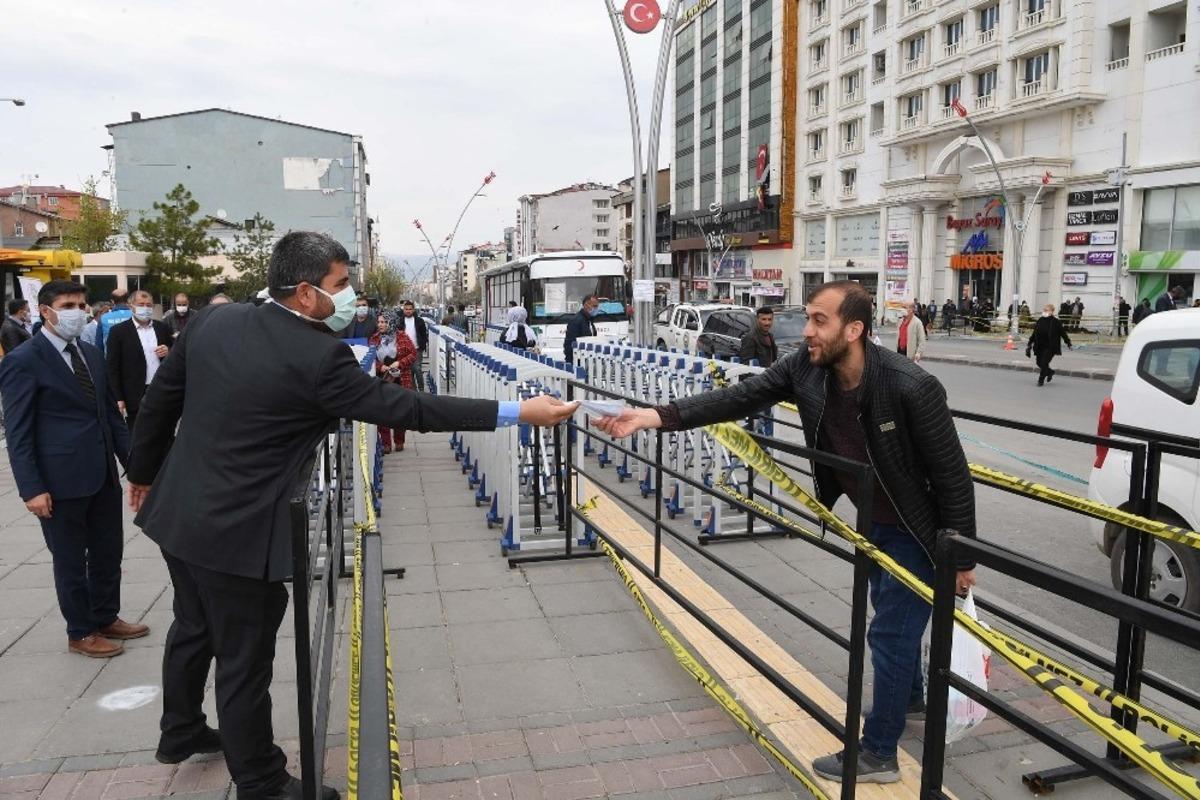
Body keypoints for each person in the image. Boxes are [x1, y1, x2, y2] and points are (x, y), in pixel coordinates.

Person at [125, 231, 576, 800]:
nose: (350, 295)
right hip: (237, 533)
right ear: (305, 292)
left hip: (177, 511)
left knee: (193, 625)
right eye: (340, 284)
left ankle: (181, 727)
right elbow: (410, 408)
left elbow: (161, 399)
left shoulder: (216, 320)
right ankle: (260, 781)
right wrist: (516, 411)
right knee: (243, 658)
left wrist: (142, 474)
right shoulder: (319, 358)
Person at [593, 280, 976, 784]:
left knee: (889, 632)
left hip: (917, 530)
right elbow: (739, 397)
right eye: (808, 318)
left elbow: (952, 476)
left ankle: (879, 752)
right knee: (891, 617)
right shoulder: (806, 369)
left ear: (854, 330)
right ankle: (909, 700)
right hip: (871, 522)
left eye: (819, 321)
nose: (807, 332)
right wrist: (654, 416)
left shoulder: (910, 386)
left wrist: (961, 559)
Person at [0, 280, 145, 658]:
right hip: (59, 481)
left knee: (108, 552)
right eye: (68, 306)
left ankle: (105, 615)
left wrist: (136, 467)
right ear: (46, 311)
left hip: (102, 475)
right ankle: (80, 631)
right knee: (70, 561)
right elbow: (18, 432)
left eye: (81, 305)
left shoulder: (91, 353)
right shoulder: (23, 360)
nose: (77, 313)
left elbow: (110, 417)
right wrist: (31, 488)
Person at [105, 290, 173, 432]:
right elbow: (113, 367)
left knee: (164, 431)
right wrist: (118, 397)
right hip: (134, 394)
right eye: (141, 304)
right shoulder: (119, 331)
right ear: (131, 306)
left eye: (149, 305)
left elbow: (176, 353)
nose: (145, 308)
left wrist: (169, 351)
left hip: (160, 389)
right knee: (138, 432)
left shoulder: (162, 328)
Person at [369, 316, 418, 453]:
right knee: (382, 411)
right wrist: (380, 367)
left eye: (384, 322)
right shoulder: (374, 339)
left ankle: (399, 440)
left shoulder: (402, 336)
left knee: (400, 410)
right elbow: (370, 358)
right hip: (382, 379)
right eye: (379, 322)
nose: (380, 324)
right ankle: (386, 443)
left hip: (400, 379)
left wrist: (399, 363)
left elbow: (413, 354)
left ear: (391, 323)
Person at [1026, 304, 1072, 386]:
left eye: (1046, 310)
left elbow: (1063, 333)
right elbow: (1034, 333)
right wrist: (1030, 343)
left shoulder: (1056, 322)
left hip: (1050, 347)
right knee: (1039, 363)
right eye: (1044, 310)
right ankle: (1050, 372)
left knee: (1044, 363)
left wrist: (1068, 343)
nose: (1044, 311)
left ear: (1051, 312)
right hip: (1039, 346)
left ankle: (1041, 380)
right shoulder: (1040, 320)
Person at [400, 301, 429, 390]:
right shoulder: (400, 321)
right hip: (405, 351)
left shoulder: (419, 321)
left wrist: (422, 346)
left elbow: (424, 335)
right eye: (406, 309)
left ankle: (421, 390)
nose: (408, 311)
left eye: (410, 309)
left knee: (417, 369)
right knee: (409, 372)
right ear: (404, 310)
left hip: (417, 349)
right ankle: (414, 391)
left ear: (413, 310)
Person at [563, 294, 599, 364]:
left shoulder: (589, 320)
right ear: (586, 305)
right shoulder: (576, 320)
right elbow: (569, 345)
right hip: (578, 362)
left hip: (588, 361)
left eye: (597, 306)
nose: (597, 309)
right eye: (595, 306)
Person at [97, 289, 133, 354]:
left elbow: (99, 345)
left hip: (110, 357)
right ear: (128, 300)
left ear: (112, 301)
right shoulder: (136, 316)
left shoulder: (103, 318)